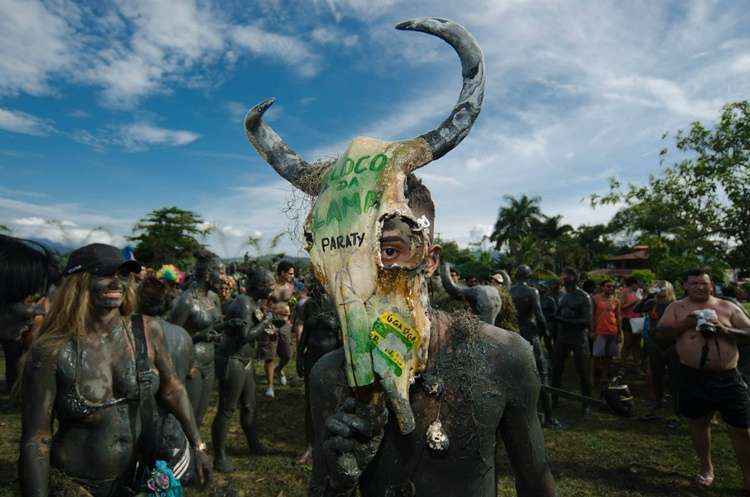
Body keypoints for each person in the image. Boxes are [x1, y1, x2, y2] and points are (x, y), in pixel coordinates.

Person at [244, 16, 555, 497]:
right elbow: (322, 487)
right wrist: (338, 473)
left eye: (389, 249)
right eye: (347, 256)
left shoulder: (503, 355)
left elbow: (536, 480)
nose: (365, 277)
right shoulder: (331, 374)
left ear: (429, 259)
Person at [19, 243, 211, 497]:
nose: (116, 282)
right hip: (78, 486)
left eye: (122, 274)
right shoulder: (52, 351)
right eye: (105, 274)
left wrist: (197, 446)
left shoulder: (146, 332)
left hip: (138, 478)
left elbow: (172, 388)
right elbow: (37, 439)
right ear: (79, 282)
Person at [655, 268, 750, 491]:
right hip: (692, 377)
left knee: (742, 428)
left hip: (728, 377)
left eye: (704, 283)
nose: (700, 286)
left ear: (712, 285)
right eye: (694, 283)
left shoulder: (727, 306)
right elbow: (660, 335)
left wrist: (724, 330)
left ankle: (748, 476)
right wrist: (685, 324)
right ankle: (706, 468)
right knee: (699, 424)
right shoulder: (676, 308)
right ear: (685, 286)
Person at [211, 266, 275, 472]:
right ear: (258, 286)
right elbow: (245, 336)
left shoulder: (253, 302)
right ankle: (219, 455)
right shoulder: (243, 303)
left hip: (245, 361)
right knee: (227, 409)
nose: (272, 287)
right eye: (268, 284)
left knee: (249, 405)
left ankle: (253, 444)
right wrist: (266, 321)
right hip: (233, 360)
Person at [138, 271, 196, 483]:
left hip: (141, 423)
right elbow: (190, 373)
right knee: (168, 484)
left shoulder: (128, 335)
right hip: (174, 425)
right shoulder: (183, 336)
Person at [169, 250, 224, 427]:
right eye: (220, 272)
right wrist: (200, 336)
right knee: (187, 415)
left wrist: (225, 328)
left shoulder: (214, 298)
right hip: (192, 364)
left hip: (210, 361)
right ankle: (184, 452)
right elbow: (172, 338)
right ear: (208, 274)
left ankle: (195, 450)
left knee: (200, 415)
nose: (224, 278)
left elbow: (215, 325)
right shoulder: (186, 301)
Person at [295, 279, 342, 465]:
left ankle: (331, 444)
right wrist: (299, 356)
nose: (317, 289)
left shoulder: (337, 304)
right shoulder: (309, 306)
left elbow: (342, 336)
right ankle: (310, 447)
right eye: (314, 285)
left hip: (332, 361)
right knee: (310, 403)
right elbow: (305, 333)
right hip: (312, 359)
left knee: (334, 401)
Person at [510, 265, 557, 427]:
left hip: (514, 334)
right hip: (530, 333)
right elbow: (539, 315)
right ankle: (549, 417)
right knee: (542, 373)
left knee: (516, 374)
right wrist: (546, 334)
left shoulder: (509, 291)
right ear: (529, 276)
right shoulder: (532, 292)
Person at [551, 267, 593, 416]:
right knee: (556, 369)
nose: (563, 278)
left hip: (578, 338)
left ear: (574, 278)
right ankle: (554, 398)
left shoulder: (584, 297)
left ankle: (587, 403)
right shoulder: (563, 296)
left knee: (583, 371)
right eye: (563, 276)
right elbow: (557, 314)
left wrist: (565, 320)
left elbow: (587, 320)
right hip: (563, 337)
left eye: (567, 276)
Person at [635, 280, 676, 410]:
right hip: (654, 342)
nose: (660, 289)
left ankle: (676, 400)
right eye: (658, 287)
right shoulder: (652, 303)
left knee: (674, 373)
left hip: (672, 343)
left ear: (669, 289)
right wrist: (647, 296)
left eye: (662, 287)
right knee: (656, 372)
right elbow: (637, 310)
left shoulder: (675, 304)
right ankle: (658, 399)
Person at [257, 302, 292, 398]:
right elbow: (258, 311)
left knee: (287, 355)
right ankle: (270, 386)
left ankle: (278, 370)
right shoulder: (263, 292)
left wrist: (287, 315)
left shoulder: (287, 287)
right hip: (268, 323)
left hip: (284, 322)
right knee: (270, 358)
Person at [591, 280, 622, 386]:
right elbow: (591, 315)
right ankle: (595, 377)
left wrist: (619, 332)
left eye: (613, 287)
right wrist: (592, 330)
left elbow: (618, 316)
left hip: (612, 331)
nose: (611, 288)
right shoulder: (595, 299)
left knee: (609, 356)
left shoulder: (616, 300)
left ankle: (604, 377)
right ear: (602, 287)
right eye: (608, 286)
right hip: (599, 330)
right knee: (596, 356)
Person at [620, 276, 643, 365]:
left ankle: (636, 364)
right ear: (633, 284)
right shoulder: (624, 292)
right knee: (627, 343)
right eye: (638, 284)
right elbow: (621, 306)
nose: (639, 286)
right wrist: (633, 302)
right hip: (628, 320)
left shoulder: (639, 292)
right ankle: (622, 364)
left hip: (638, 320)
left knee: (637, 344)